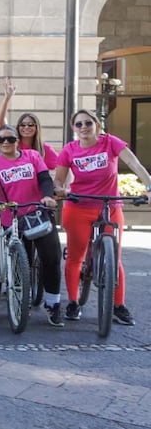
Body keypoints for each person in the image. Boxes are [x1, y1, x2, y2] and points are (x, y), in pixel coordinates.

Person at [53, 110, 151, 326]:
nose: (84, 127)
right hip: (78, 206)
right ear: (74, 129)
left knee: (114, 256)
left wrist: (149, 185)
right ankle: (73, 302)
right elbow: (58, 180)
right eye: (78, 124)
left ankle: (118, 305)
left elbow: (135, 165)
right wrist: (61, 190)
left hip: (109, 205)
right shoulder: (70, 150)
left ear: (97, 124)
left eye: (88, 123)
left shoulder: (111, 143)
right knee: (76, 256)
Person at [0, 125, 63, 326]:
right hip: (12, 218)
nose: (6, 143)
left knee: (52, 258)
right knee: (22, 263)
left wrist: (48, 196)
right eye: (1, 139)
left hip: (38, 214)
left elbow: (44, 179)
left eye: (11, 139)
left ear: (17, 140)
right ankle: (22, 302)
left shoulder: (32, 156)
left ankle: (53, 304)